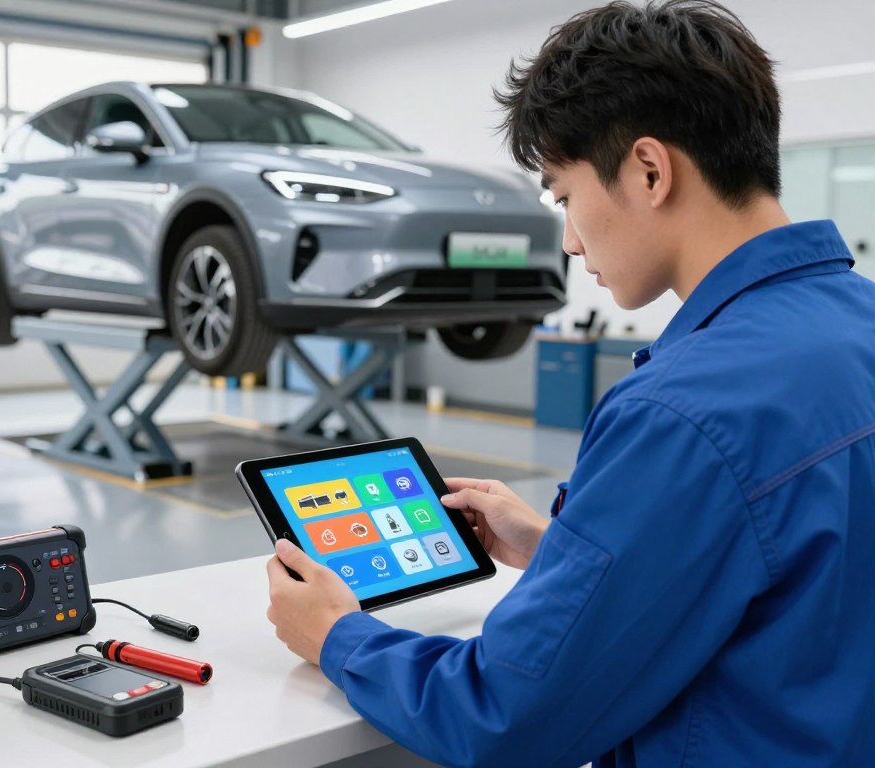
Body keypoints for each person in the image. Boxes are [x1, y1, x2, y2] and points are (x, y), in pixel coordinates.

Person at [266, 1, 875, 765]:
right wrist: (568, 551)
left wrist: (336, 636)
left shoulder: (685, 413)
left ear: (650, 171)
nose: (568, 236)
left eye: (562, 195)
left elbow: (507, 713)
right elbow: (799, 578)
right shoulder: (860, 326)